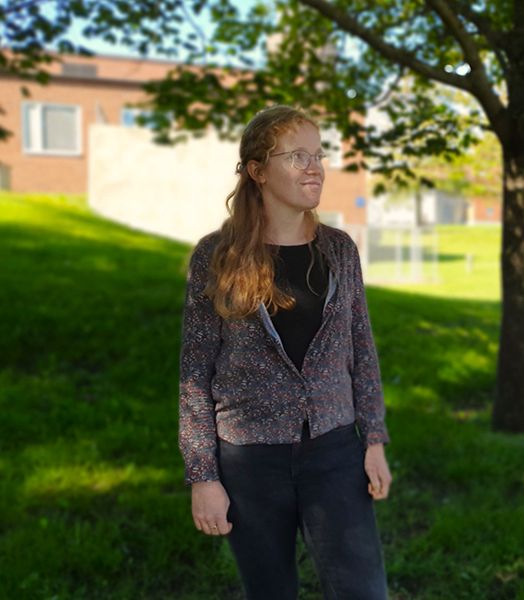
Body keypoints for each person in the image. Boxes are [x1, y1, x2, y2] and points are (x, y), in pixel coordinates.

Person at [179, 105, 392, 600]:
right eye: (297, 156)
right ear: (257, 170)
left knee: (363, 591)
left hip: (336, 452)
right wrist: (203, 475)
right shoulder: (216, 256)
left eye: (318, 155)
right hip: (249, 462)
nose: (314, 166)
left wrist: (374, 438)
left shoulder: (340, 250)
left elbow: (361, 347)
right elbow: (195, 372)